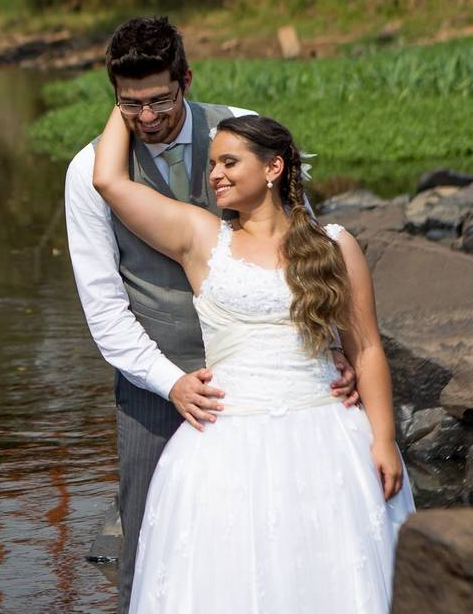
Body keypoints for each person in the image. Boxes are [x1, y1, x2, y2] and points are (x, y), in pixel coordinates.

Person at [63, 16, 357, 614]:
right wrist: (168, 382)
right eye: (130, 105)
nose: (148, 119)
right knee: (148, 540)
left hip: (266, 372)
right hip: (158, 378)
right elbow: (104, 307)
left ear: (187, 79)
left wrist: (335, 348)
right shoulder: (88, 173)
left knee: (273, 528)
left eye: (161, 100)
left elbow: (302, 247)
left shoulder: (240, 132)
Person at [92, 110, 415, 612]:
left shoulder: (333, 245)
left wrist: (383, 439)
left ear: (273, 168)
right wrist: (126, 98)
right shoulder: (202, 239)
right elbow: (108, 180)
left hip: (328, 438)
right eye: (212, 163)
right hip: (227, 443)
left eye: (229, 162)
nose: (214, 174)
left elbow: (367, 349)